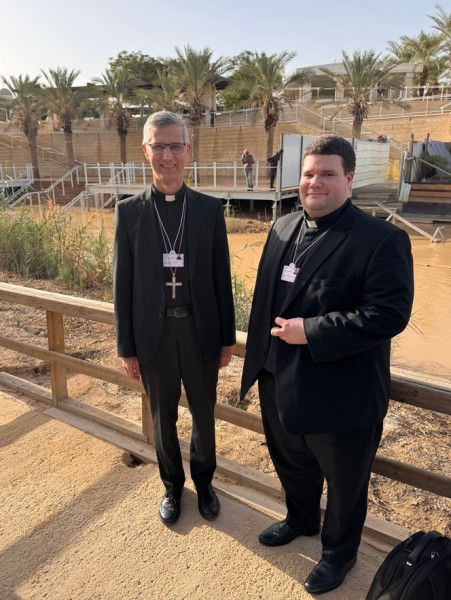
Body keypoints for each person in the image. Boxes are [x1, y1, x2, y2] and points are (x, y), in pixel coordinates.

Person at [241, 135, 414, 595]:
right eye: (309, 174)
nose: (315, 182)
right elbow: (265, 301)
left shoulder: (382, 239)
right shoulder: (282, 227)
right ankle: (300, 519)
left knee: (344, 484)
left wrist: (312, 331)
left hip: (341, 392)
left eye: (327, 174)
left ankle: (338, 554)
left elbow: (389, 314)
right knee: (291, 463)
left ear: (349, 178)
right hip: (277, 378)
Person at [114, 111, 236, 526]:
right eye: (159, 146)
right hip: (154, 333)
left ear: (188, 149)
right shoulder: (129, 212)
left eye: (175, 146)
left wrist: (227, 338)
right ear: (145, 150)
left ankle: (205, 482)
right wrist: (126, 347)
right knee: (161, 416)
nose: (168, 156)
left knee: (204, 412)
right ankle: (171, 485)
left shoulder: (208, 210)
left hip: (200, 330)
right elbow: (122, 284)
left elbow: (221, 278)